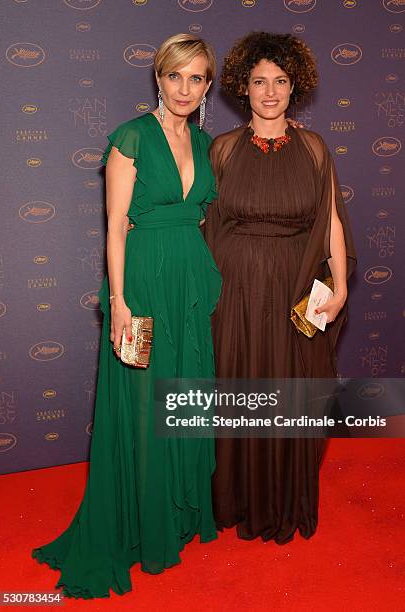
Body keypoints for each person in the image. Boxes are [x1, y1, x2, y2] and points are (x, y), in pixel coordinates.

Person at [32, 33, 222, 598]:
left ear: (207, 84)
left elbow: (202, 215)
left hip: (189, 282)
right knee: (143, 406)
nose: (185, 88)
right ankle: (138, 527)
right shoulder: (131, 138)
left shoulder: (207, 142)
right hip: (141, 283)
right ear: (158, 79)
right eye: (175, 76)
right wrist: (119, 302)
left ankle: (177, 515)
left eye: (197, 78)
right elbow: (115, 226)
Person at [204, 32, 357, 544]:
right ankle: (237, 498)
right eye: (259, 81)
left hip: (296, 285)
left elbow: (331, 218)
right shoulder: (222, 150)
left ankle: (284, 498)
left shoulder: (315, 148)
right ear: (242, 88)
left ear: (296, 86)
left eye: (281, 81)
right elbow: (200, 223)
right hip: (236, 290)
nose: (270, 92)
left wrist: (337, 286)